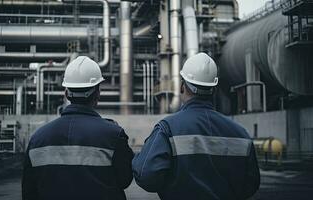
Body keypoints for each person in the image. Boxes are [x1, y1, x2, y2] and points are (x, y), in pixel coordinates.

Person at [132, 53, 260, 200]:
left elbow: (146, 177)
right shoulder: (241, 133)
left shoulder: (168, 129)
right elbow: (251, 184)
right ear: (214, 89)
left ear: (182, 86)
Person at [22, 56, 134, 200]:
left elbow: (29, 192)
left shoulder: (38, 138)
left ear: (66, 93)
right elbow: (125, 179)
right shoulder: (113, 135)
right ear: (97, 93)